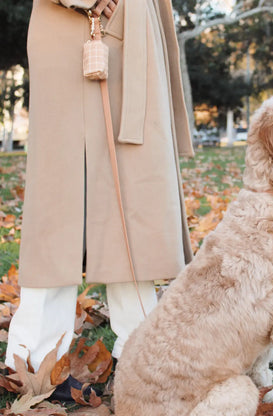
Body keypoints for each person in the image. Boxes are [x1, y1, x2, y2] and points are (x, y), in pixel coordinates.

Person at [5, 0, 194, 396]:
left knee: (133, 197)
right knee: (60, 198)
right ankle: (35, 359)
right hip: (80, 27)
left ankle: (140, 353)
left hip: (129, 31)